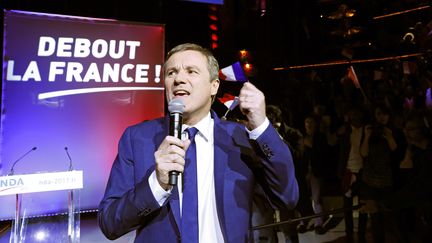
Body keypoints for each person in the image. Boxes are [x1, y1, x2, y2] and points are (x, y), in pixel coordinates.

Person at [97, 43, 299, 243]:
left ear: (214, 86)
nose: (179, 79)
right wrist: (157, 184)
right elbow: (109, 223)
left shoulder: (240, 138)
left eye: (191, 71)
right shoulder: (137, 138)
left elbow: (287, 197)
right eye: (171, 73)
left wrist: (261, 126)